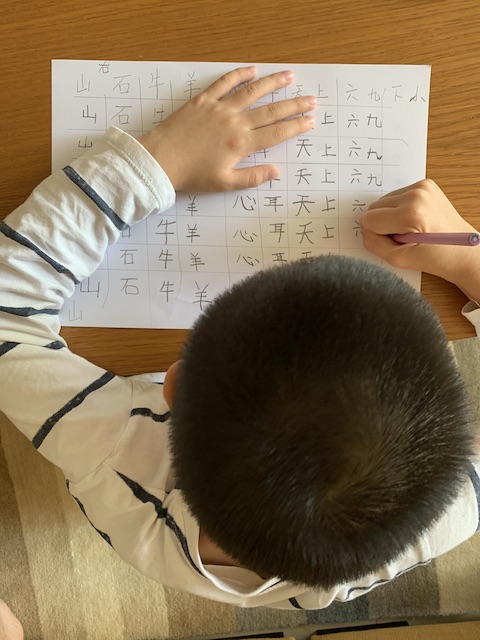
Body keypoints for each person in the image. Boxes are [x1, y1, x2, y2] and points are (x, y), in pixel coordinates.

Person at [0, 67, 479, 610]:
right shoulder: (443, 517)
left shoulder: (110, 450)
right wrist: (468, 258)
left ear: (176, 384)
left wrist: (160, 161)